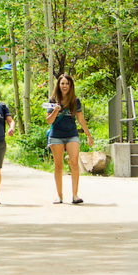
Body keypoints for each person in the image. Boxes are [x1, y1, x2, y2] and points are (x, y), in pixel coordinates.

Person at [46, 73, 94, 204]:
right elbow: (49, 121)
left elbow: (80, 119)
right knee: (58, 165)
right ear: (58, 85)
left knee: (74, 163)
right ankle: (59, 195)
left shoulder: (75, 101)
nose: (65, 86)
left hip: (72, 134)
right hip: (56, 135)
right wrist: (55, 111)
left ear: (71, 86)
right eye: (62, 83)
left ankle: (75, 195)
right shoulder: (53, 100)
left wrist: (89, 135)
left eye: (67, 83)